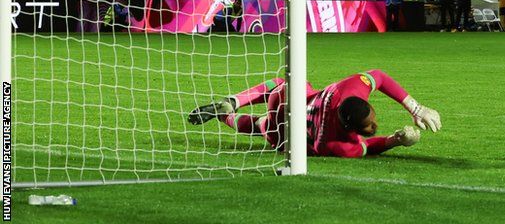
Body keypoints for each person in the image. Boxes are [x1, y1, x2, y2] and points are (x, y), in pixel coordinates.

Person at [188, 69, 440, 158]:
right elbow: (370, 147)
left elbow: (380, 77)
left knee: (282, 81)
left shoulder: (351, 89)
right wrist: (397, 140)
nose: (374, 124)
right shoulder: (336, 144)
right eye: (369, 125)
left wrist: (416, 108)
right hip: (287, 132)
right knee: (262, 126)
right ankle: (225, 116)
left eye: (372, 117)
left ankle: (233, 101)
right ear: (351, 129)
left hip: (292, 95)